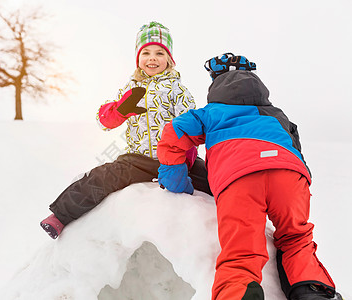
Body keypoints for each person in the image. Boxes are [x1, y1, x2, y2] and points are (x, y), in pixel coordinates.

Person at [156, 53, 342, 300]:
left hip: (240, 179)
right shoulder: (276, 114)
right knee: (297, 239)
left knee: (241, 255)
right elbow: (295, 147)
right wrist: (301, 181)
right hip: (288, 175)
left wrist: (176, 179)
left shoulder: (210, 112)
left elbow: (175, 132)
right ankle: (314, 292)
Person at [40, 21, 212, 240]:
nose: (152, 58)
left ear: (169, 59)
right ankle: (60, 216)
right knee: (101, 177)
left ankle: (244, 211)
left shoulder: (178, 90)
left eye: (160, 52)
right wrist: (120, 110)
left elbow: (190, 127)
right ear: (138, 58)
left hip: (175, 158)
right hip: (137, 158)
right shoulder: (131, 88)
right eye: (146, 52)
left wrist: (185, 158)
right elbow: (104, 121)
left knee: (212, 177)